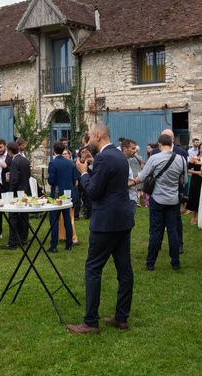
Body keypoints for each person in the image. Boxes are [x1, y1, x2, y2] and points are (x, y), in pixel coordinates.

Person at [67, 124, 135, 334]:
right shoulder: (119, 155)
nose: (88, 142)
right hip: (123, 220)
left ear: (98, 136)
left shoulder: (106, 158)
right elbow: (111, 180)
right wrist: (93, 164)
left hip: (106, 222)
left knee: (93, 269)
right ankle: (121, 317)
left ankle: (90, 322)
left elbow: (94, 191)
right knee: (124, 270)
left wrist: (84, 173)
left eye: (90, 138)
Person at [135, 133, 188, 271]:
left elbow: (142, 176)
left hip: (157, 199)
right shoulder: (181, 159)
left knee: (155, 231)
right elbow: (185, 181)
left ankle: (150, 263)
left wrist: (129, 183)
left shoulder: (154, 158)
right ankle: (175, 262)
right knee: (173, 231)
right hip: (173, 199)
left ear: (159, 144)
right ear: (172, 144)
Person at [150, 129, 188, 253]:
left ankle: (179, 245)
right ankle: (158, 244)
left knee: (176, 223)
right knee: (157, 224)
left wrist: (183, 196)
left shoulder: (181, 152)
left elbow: (183, 176)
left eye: (168, 136)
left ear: (172, 139)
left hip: (175, 193)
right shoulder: (155, 152)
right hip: (157, 193)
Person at [1, 141, 31, 250]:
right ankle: (23, 239)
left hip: (16, 192)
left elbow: (14, 179)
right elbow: (28, 175)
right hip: (25, 190)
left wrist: (10, 192)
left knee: (13, 217)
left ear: (9, 151)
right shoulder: (25, 160)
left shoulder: (14, 161)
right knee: (24, 216)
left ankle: (12, 242)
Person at [47, 141, 75, 252]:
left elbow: (51, 180)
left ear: (54, 150)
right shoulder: (70, 163)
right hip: (67, 193)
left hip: (57, 194)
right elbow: (74, 180)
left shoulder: (53, 163)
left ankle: (54, 245)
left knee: (54, 220)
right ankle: (69, 243)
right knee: (67, 218)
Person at [185, 142, 202, 221]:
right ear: (199, 149)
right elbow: (188, 170)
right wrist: (198, 173)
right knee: (195, 197)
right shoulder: (194, 158)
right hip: (196, 180)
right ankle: (194, 217)